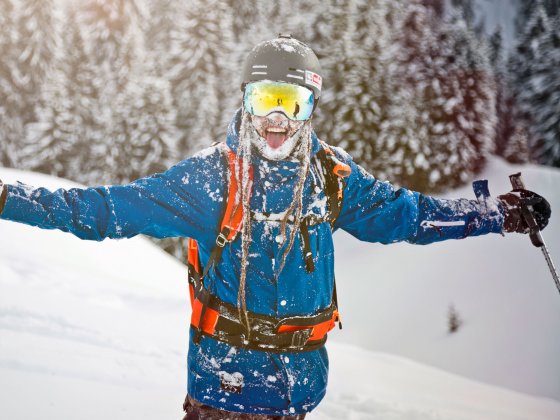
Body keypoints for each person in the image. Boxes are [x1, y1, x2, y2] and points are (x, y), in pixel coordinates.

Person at [0, 34, 551, 419]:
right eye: (265, 101)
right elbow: (100, 210)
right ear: (245, 102)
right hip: (224, 393)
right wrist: (8, 197)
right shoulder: (212, 178)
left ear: (311, 107)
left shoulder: (331, 177)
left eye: (292, 103)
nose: (276, 121)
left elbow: (408, 216)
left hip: (299, 395)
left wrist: (494, 215)